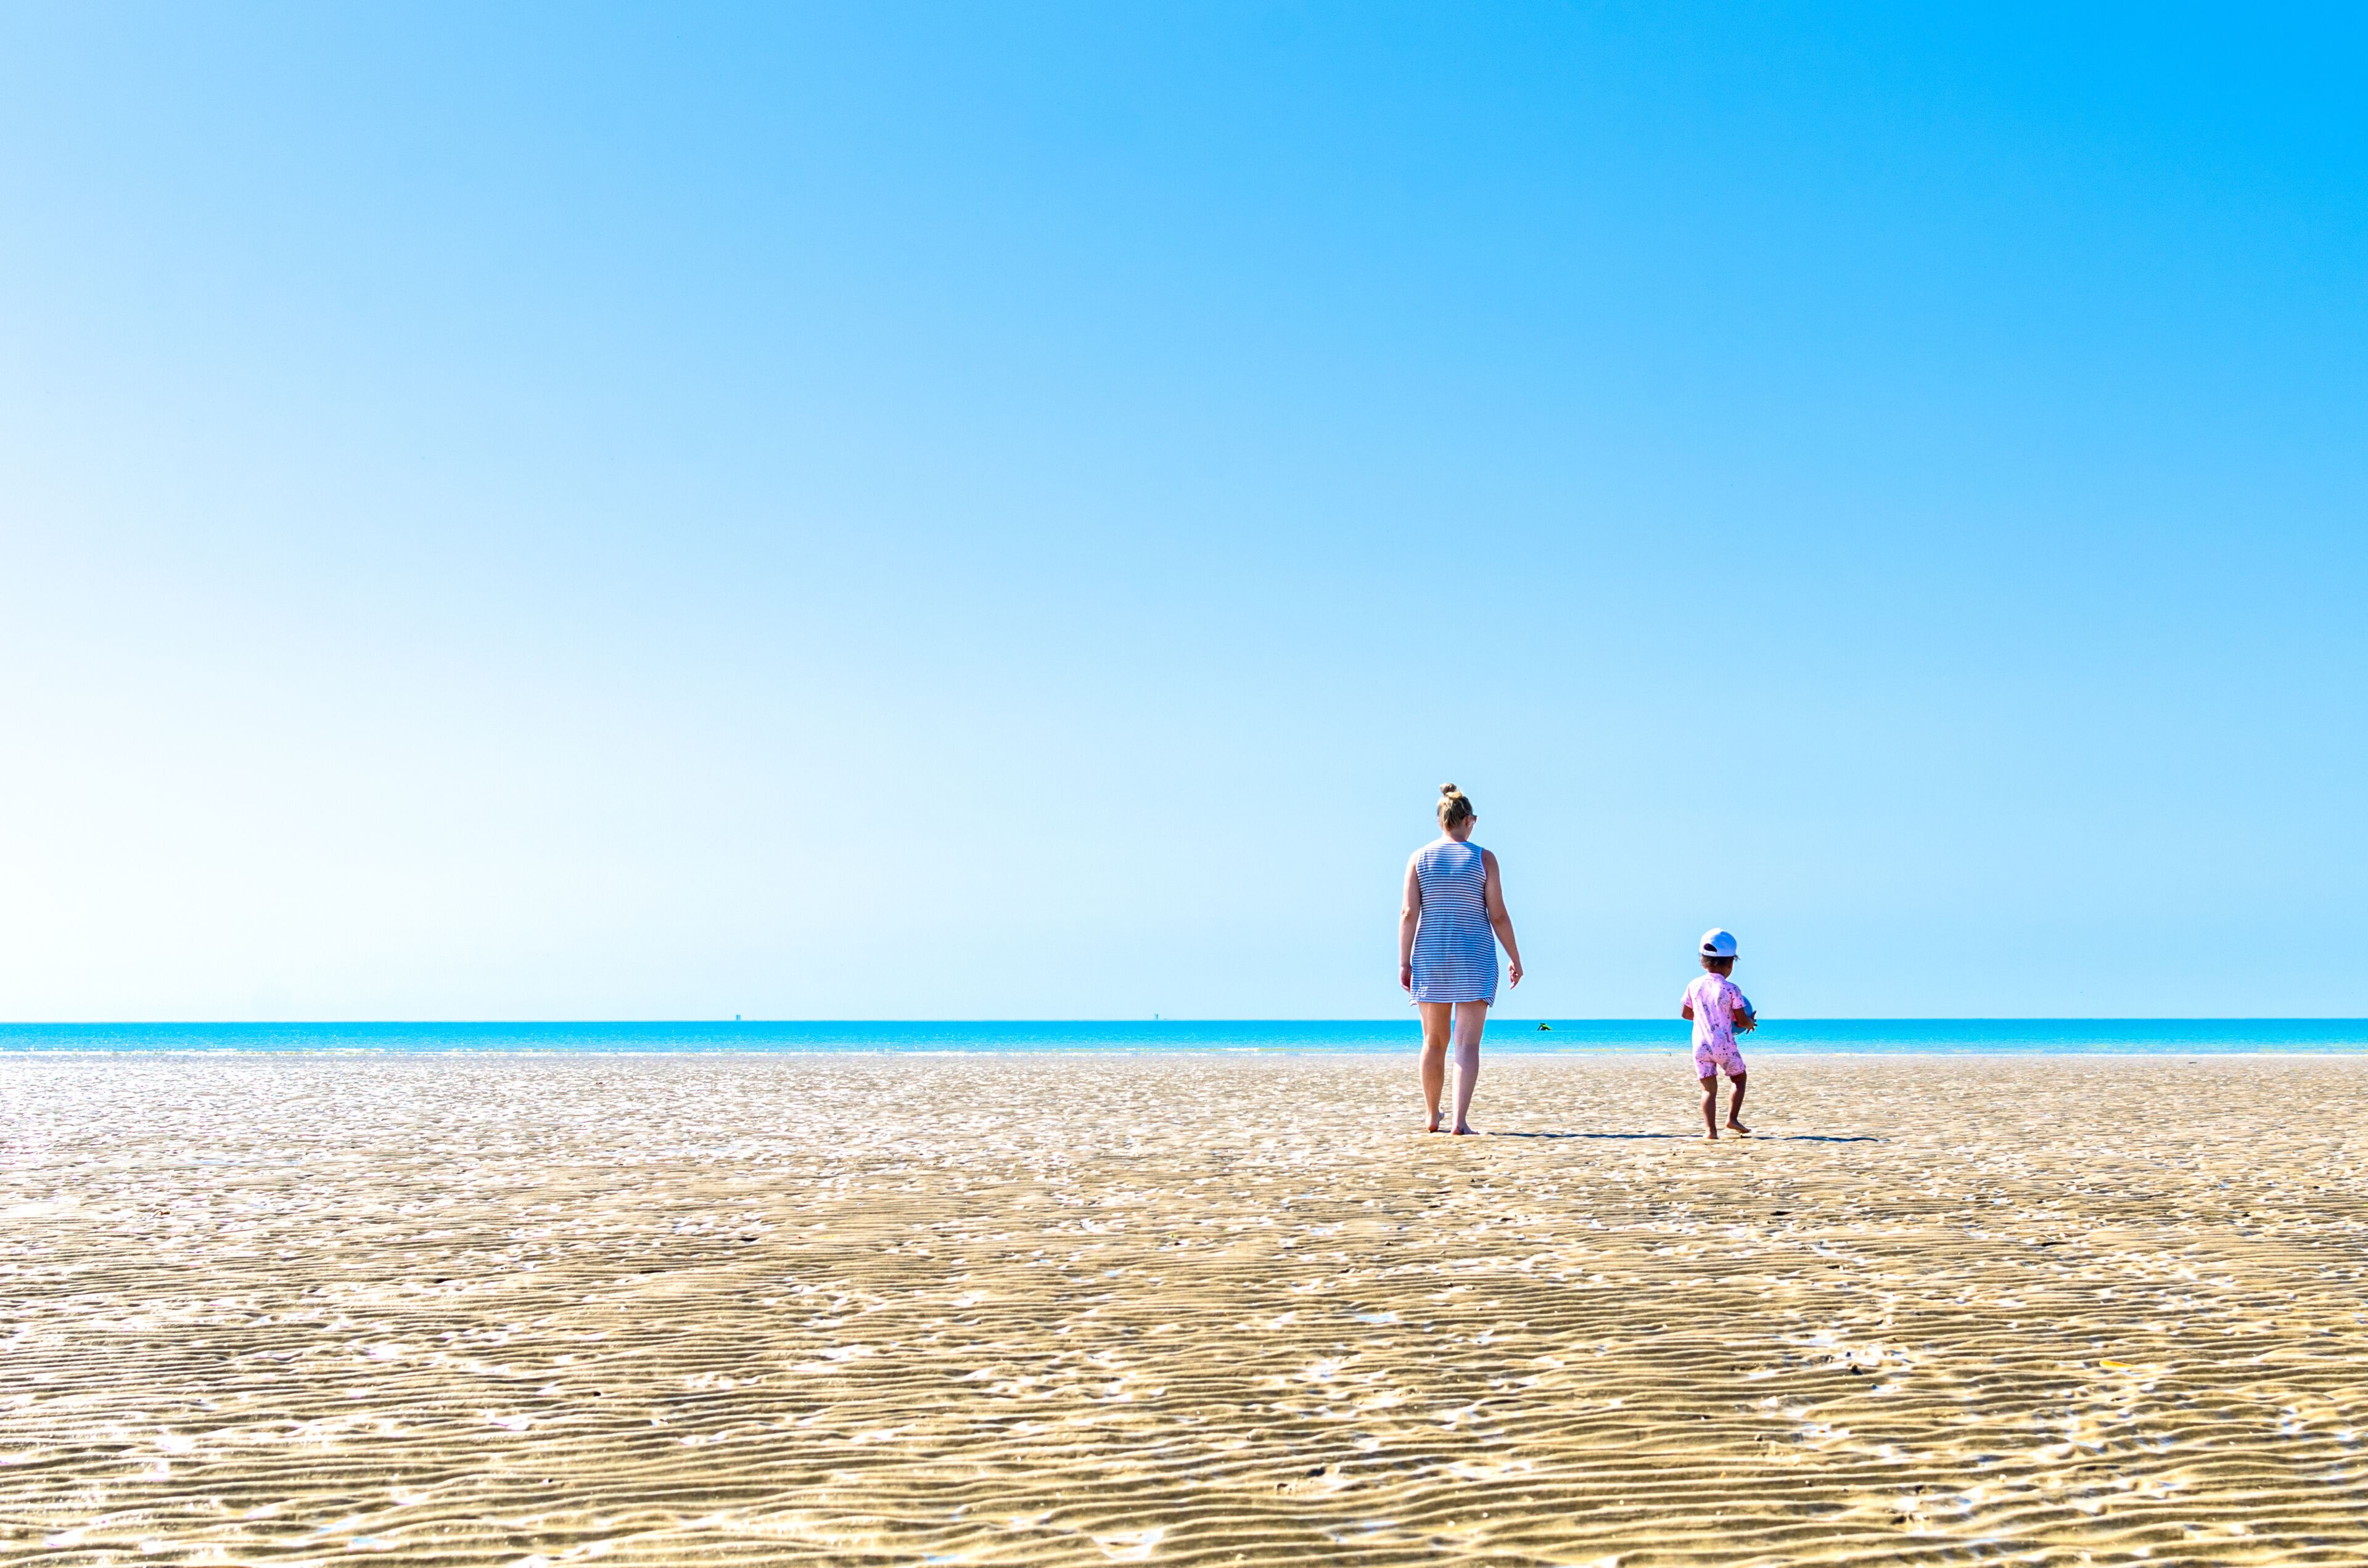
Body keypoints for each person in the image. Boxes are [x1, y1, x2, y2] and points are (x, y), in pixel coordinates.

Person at [1399, 783, 1524, 1134]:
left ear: (1441, 821)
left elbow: (1409, 913)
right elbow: (1498, 914)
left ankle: (1430, 1115)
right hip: (1475, 956)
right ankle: (1459, 1121)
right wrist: (1515, 957)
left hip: (1431, 956)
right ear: (1469, 821)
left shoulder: (1419, 858)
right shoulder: (1484, 859)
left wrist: (1404, 962)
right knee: (1467, 1044)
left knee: (1433, 1043)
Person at [1680, 928, 1757, 1139]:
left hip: (1700, 1045)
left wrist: (1707, 1016)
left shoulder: (1694, 985)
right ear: (1731, 964)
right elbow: (1741, 1020)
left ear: (1702, 962)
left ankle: (1710, 1132)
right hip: (1724, 1044)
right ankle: (1732, 1119)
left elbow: (1686, 1014)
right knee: (1739, 1079)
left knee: (1708, 1091)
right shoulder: (1732, 989)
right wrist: (1750, 1023)